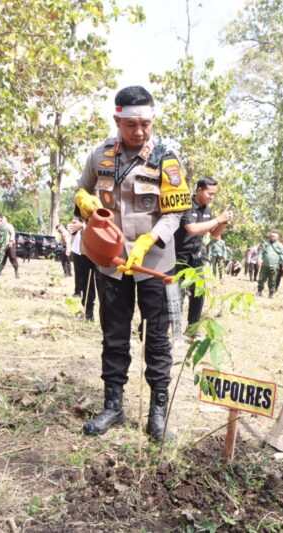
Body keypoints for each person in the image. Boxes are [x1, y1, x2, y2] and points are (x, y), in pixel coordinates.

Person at [74, 86, 190, 442]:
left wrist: (147, 240)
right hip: (112, 262)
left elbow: (175, 215)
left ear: (153, 121)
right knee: (114, 334)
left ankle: (157, 414)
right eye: (131, 125)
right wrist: (85, 203)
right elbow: (82, 189)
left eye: (145, 124)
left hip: (154, 264)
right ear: (117, 120)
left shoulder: (167, 160)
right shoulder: (100, 156)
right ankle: (113, 405)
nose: (139, 132)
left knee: (157, 339)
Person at [173, 176, 231, 330]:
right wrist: (218, 219)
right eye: (209, 194)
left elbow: (214, 234)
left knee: (198, 293)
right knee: (177, 294)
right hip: (178, 257)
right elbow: (192, 229)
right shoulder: (186, 205)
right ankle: (175, 330)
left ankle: (192, 329)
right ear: (199, 190)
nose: (212, 197)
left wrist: (223, 223)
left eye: (214, 195)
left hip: (197, 257)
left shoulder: (207, 209)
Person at [68, 218, 96, 320]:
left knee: (89, 284)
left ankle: (89, 313)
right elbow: (72, 230)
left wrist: (83, 226)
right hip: (77, 251)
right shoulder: (78, 212)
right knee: (79, 284)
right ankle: (81, 311)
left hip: (89, 252)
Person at [257, 231, 283, 297]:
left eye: (274, 236)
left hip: (274, 266)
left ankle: (271, 293)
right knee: (261, 279)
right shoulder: (265, 244)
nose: (272, 237)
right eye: (271, 236)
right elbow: (261, 252)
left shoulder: (280, 245)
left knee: (272, 280)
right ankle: (259, 291)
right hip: (265, 265)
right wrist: (259, 259)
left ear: (277, 238)